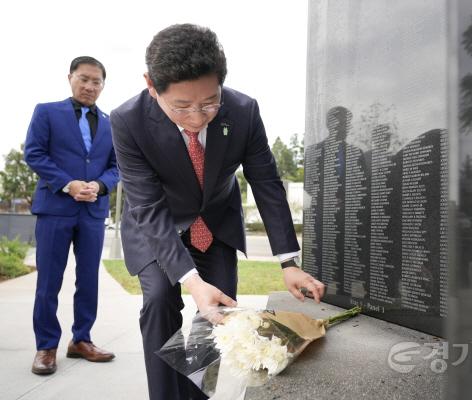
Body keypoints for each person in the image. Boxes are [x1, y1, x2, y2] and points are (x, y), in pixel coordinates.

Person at [110, 24, 325, 400]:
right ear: (151, 85)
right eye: (181, 106)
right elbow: (146, 203)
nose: (197, 116)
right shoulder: (127, 120)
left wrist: (289, 262)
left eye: (209, 102)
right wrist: (191, 282)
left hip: (215, 222)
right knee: (161, 298)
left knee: (217, 312)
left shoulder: (243, 111)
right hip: (157, 223)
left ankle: (195, 396)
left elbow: (266, 183)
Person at [24, 56, 120, 375]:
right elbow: (34, 153)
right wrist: (68, 184)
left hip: (93, 212)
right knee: (49, 281)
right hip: (55, 209)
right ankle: (46, 346)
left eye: (97, 81)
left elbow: (117, 167)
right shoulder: (47, 111)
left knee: (89, 279)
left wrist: (99, 185)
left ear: (103, 85)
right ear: (70, 78)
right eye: (84, 79)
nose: (90, 86)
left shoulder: (110, 122)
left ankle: (81, 340)